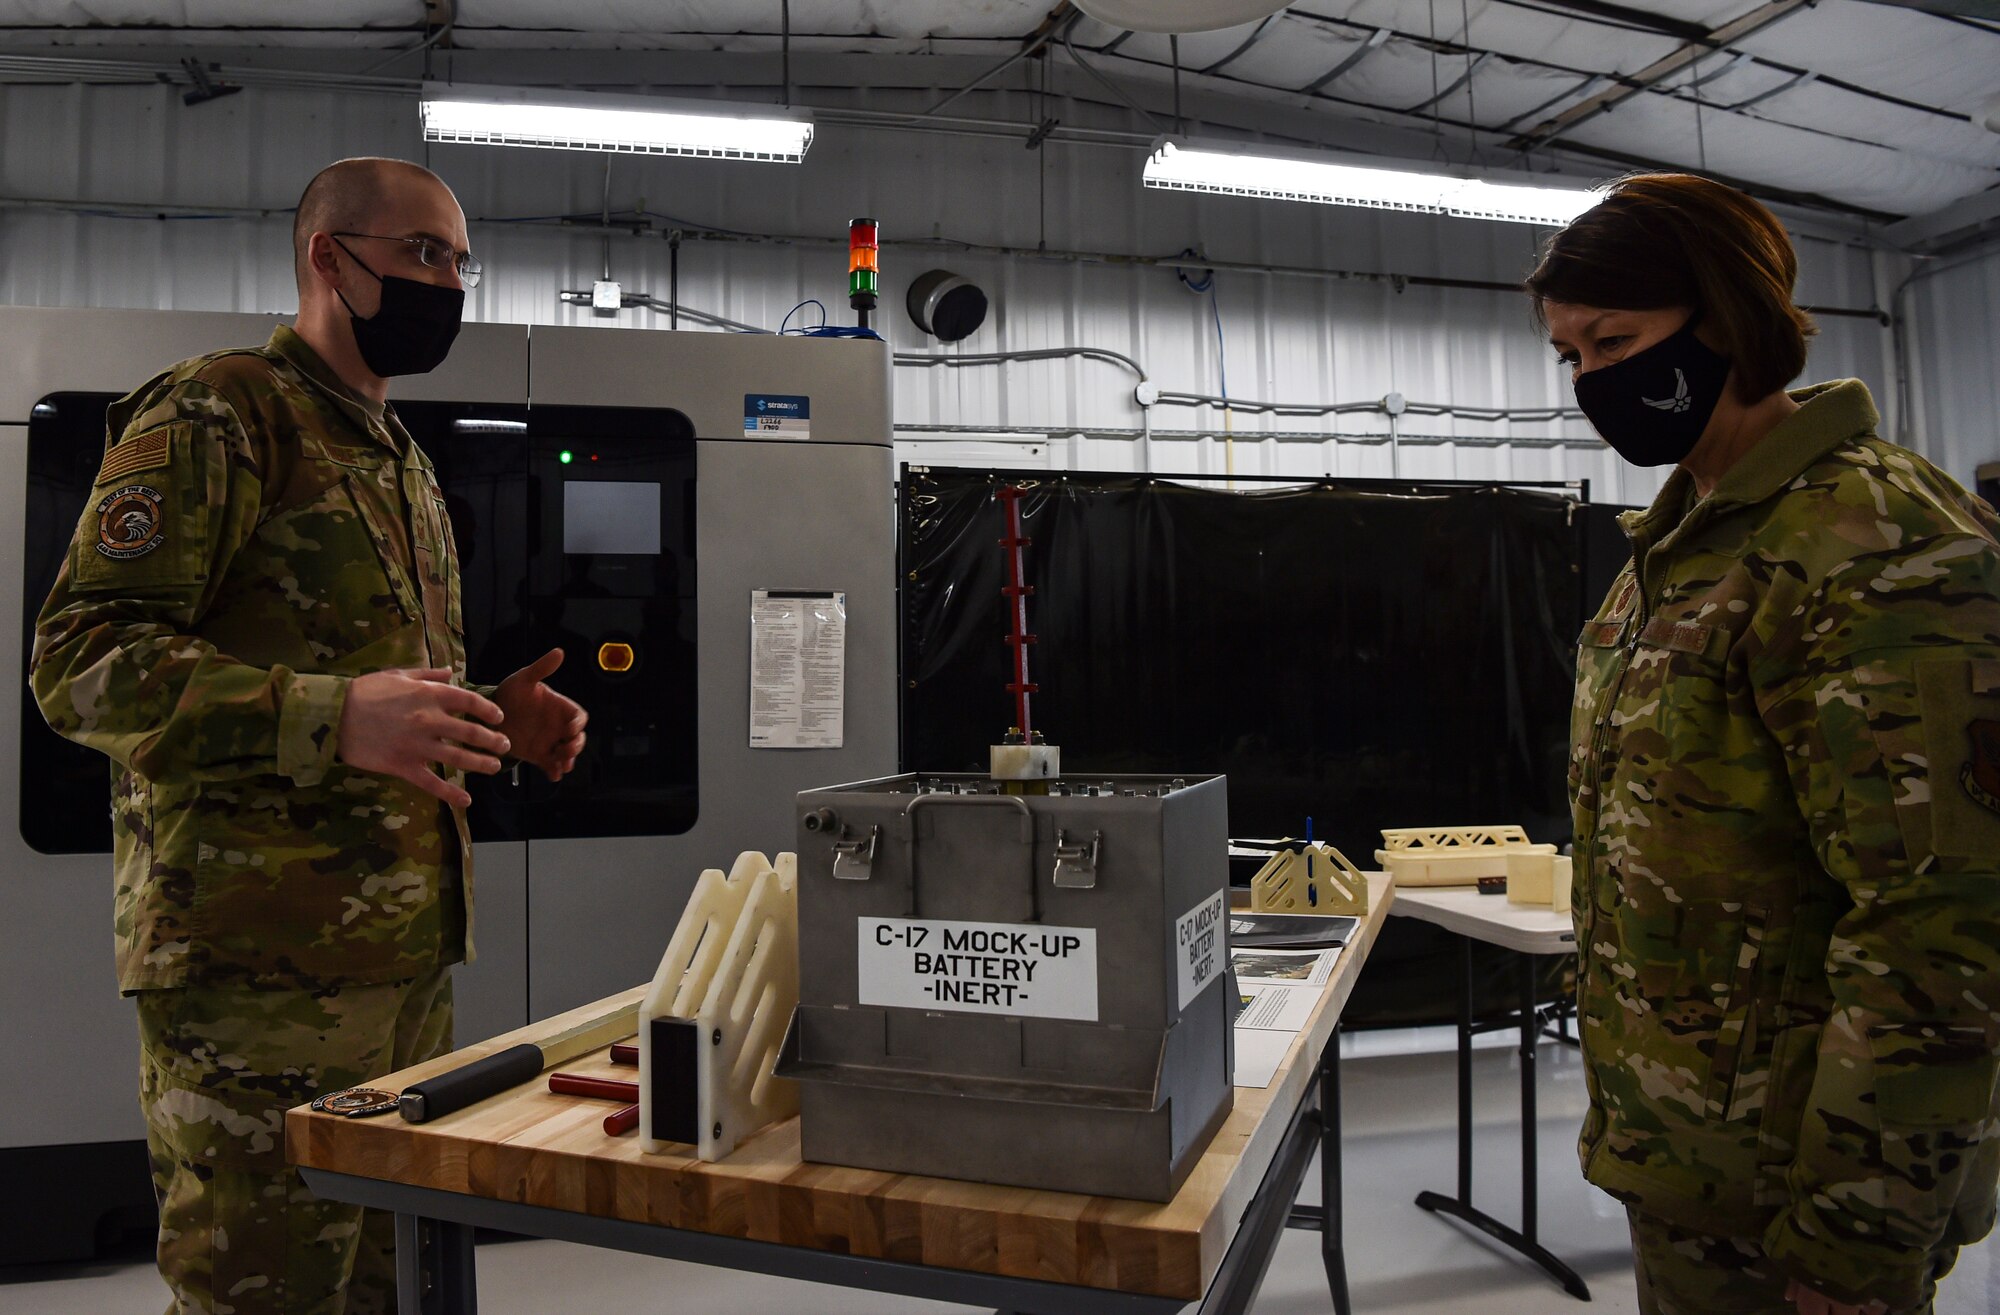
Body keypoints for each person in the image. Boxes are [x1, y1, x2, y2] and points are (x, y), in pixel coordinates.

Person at [31, 157, 587, 1314]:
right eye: (421, 253)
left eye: (460, 260)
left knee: (392, 1285)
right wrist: (332, 718)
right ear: (328, 257)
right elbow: (79, 663)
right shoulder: (219, 410)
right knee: (267, 1291)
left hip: (398, 965)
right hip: (251, 980)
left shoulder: (399, 459)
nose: (449, 282)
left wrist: (492, 718)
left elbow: (377, 700)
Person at [1529, 172, 2000, 1315]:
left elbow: (1940, 927)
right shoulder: (1682, 545)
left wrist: (1853, 1237)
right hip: (1691, 1154)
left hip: (1799, 1190)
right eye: (1571, 356)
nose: (1597, 380)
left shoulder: (1874, 544)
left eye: (1617, 340)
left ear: (1728, 319)